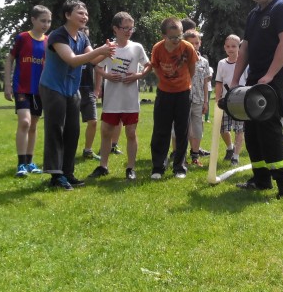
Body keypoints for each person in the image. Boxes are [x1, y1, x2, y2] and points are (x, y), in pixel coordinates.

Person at [230, 0, 283, 199]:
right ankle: (261, 180)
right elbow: (245, 47)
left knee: (269, 128)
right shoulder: (253, 15)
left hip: (277, 77)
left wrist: (270, 75)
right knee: (251, 129)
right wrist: (235, 79)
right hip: (256, 77)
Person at [39, 0, 116, 190]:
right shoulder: (58, 36)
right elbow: (72, 60)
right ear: (67, 15)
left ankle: (67, 173)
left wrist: (109, 51)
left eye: (86, 13)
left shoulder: (82, 37)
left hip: (72, 89)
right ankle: (56, 176)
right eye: (80, 13)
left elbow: (93, 60)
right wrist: (100, 50)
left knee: (73, 131)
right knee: (56, 130)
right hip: (53, 88)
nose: (85, 16)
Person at [87, 12, 151, 181]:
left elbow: (148, 65)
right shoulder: (109, 48)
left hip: (130, 99)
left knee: (131, 132)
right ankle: (103, 166)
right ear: (115, 29)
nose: (129, 31)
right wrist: (107, 76)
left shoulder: (137, 47)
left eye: (131, 28)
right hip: (112, 99)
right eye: (125, 28)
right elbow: (96, 66)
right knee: (106, 132)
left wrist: (138, 75)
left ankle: (130, 168)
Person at [3, 4, 51, 177]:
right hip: (22, 88)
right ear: (33, 20)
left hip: (40, 90)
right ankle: (21, 164)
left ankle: (30, 162)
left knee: (34, 125)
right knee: (25, 122)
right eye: (43, 21)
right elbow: (9, 59)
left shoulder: (49, 41)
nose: (46, 24)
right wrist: (7, 85)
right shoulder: (22, 38)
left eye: (49, 21)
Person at [150, 17, 198, 179]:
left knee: (182, 130)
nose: (177, 40)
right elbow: (156, 67)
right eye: (172, 37)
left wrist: (183, 83)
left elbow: (192, 68)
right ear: (164, 36)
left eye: (180, 36)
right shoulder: (157, 48)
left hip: (183, 93)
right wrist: (166, 82)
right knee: (161, 130)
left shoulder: (187, 47)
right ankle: (158, 167)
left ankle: (180, 167)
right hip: (164, 93)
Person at [215, 34, 246, 166]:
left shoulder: (244, 63)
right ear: (224, 48)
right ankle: (230, 148)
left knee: (239, 129)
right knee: (223, 129)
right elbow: (219, 82)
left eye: (233, 46)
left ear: (239, 47)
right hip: (225, 101)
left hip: (240, 101)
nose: (230, 49)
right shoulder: (222, 63)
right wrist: (217, 98)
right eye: (228, 46)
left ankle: (236, 156)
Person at [184, 30, 211, 167]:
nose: (194, 46)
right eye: (191, 43)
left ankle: (195, 155)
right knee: (183, 129)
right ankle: (181, 157)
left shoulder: (204, 62)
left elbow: (205, 83)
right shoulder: (182, 60)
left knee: (198, 129)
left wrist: (206, 101)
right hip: (183, 99)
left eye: (196, 43)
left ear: (200, 43)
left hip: (198, 100)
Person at [78, 27, 102, 161]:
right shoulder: (69, 50)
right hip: (72, 91)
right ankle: (64, 150)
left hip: (87, 91)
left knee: (93, 122)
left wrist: (97, 90)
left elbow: (99, 69)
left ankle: (88, 150)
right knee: (69, 125)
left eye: (85, 35)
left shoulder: (92, 53)